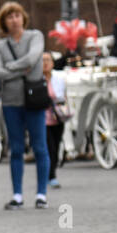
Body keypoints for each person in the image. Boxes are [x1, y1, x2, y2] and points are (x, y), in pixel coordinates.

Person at [0, 2, 51, 210]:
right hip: (11, 101)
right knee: (15, 148)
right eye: (9, 17)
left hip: (33, 98)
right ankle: (17, 194)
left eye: (17, 15)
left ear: (23, 18)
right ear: (4, 22)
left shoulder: (35, 36)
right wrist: (22, 69)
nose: (14, 20)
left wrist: (11, 68)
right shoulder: (0, 46)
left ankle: (41, 194)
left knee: (40, 147)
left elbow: (34, 59)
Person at [42, 53, 68, 188]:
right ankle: (51, 175)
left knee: (56, 146)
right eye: (42, 61)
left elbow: (64, 95)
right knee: (49, 147)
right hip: (43, 118)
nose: (45, 63)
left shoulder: (59, 78)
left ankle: (51, 172)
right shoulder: (37, 79)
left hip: (57, 117)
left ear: (52, 62)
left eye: (48, 60)